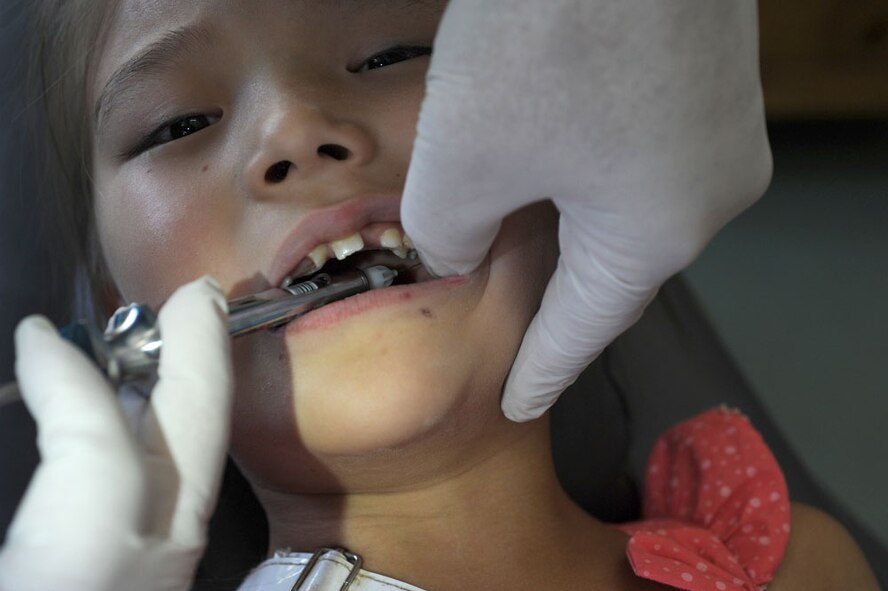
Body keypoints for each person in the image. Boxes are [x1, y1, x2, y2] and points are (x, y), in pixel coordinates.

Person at [0, 1, 879, 590]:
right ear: (122, 302)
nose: (299, 129)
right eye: (177, 125)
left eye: (391, 54)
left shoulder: (793, 562)